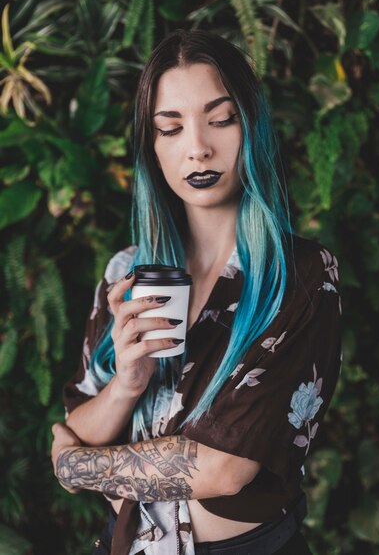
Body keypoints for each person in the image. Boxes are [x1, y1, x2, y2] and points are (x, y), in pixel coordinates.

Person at [51, 29, 342, 555]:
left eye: (221, 119)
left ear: (250, 127)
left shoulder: (298, 276)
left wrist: (76, 466)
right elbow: (80, 421)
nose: (198, 147)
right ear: (153, 147)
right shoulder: (127, 271)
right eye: (171, 127)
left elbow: (225, 469)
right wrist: (126, 384)